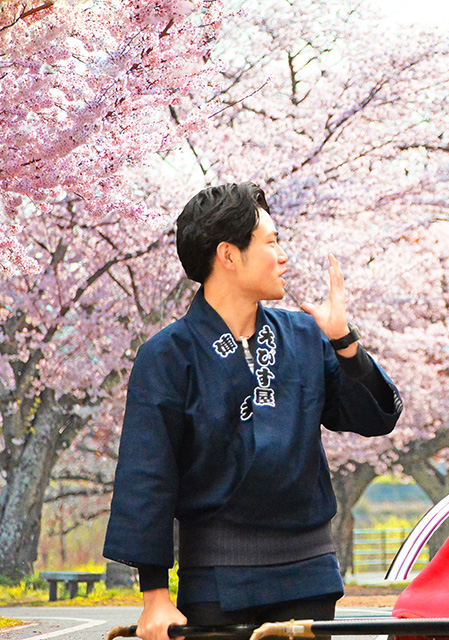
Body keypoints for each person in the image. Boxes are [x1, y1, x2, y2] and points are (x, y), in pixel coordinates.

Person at [103, 183, 402, 640]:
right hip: (217, 578)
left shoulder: (305, 335)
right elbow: (147, 474)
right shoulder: (168, 354)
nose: (283, 256)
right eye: (271, 242)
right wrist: (155, 597)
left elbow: (374, 418)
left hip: (309, 574)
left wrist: (345, 343)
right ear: (228, 255)